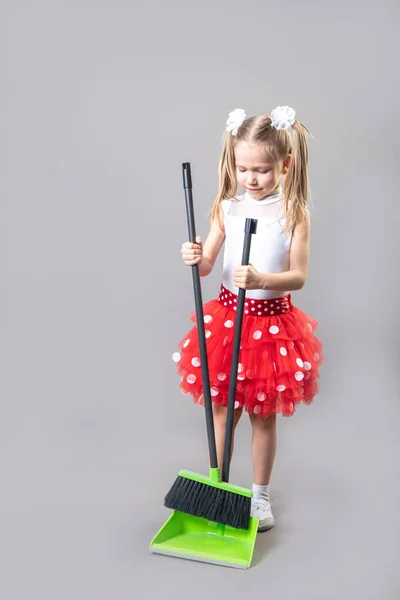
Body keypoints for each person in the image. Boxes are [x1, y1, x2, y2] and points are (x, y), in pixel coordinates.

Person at [172, 105, 324, 532]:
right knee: (222, 411)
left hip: (270, 326)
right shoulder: (228, 207)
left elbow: (299, 276)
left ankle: (259, 494)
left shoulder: (295, 214)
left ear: (285, 165)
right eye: (243, 169)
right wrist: (195, 256)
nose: (251, 179)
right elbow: (206, 268)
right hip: (228, 318)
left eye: (261, 170)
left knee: (263, 416)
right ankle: (219, 486)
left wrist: (262, 277)